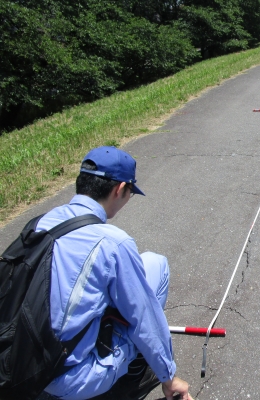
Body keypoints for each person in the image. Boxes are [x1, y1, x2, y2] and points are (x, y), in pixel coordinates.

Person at [36, 146, 190, 400]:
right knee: (156, 266)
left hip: (23, 359)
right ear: (120, 189)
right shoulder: (113, 242)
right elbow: (144, 317)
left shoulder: (42, 222)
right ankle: (128, 381)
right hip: (70, 380)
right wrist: (170, 377)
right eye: (130, 193)